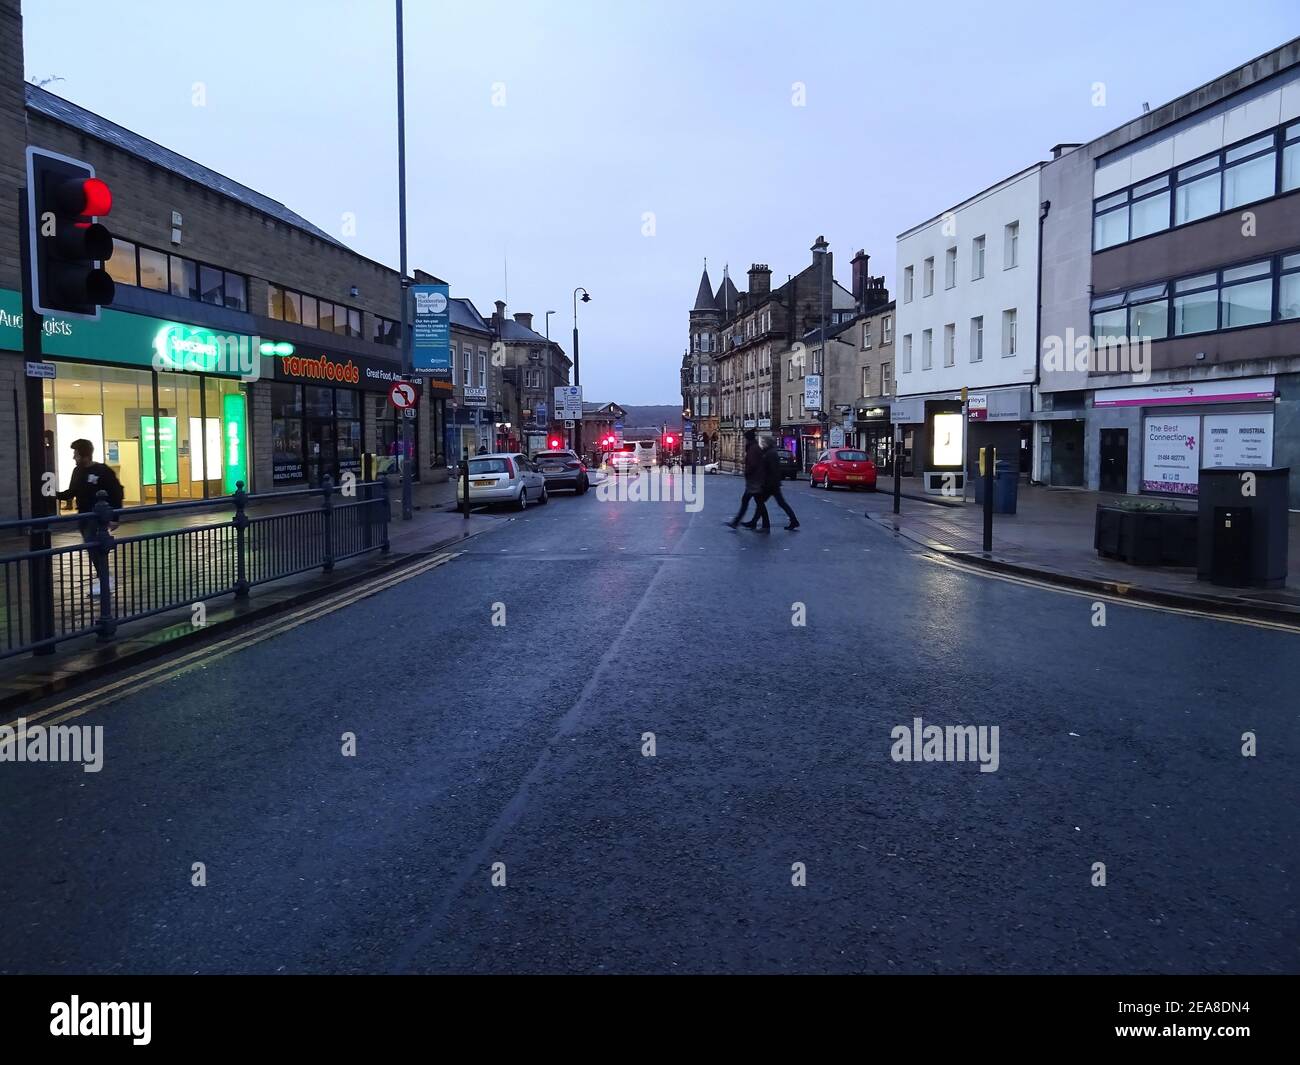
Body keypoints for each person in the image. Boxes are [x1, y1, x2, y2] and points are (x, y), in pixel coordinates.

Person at [55, 438, 124, 595]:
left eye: (76, 454)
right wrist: (54, 495)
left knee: (94, 546)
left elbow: (116, 492)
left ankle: (105, 579)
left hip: (97, 517)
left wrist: (115, 517)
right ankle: (104, 578)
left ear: (84, 455)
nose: (74, 457)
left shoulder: (102, 471)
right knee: (91, 546)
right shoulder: (77, 471)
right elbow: (72, 492)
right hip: (83, 515)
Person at [727, 429, 769, 531]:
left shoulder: (752, 449)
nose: (745, 440)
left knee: (751, 501)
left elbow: (753, 465)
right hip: (756, 480)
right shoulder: (754, 447)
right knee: (757, 502)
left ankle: (737, 522)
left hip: (754, 481)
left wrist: (747, 473)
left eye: (746, 438)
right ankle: (756, 523)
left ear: (748, 439)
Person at [760, 435, 799, 530]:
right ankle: (794, 521)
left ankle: (763, 525)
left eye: (763, 442)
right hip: (774, 483)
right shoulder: (771, 452)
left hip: (771, 484)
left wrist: (766, 483)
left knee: (760, 502)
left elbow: (772, 470)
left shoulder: (770, 453)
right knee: (781, 503)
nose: (761, 444)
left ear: (767, 443)